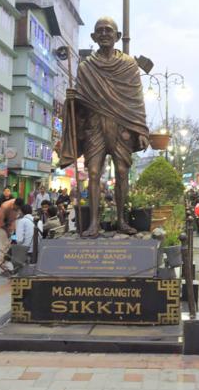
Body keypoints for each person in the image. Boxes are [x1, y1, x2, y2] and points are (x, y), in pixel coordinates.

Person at [59, 17, 149, 237]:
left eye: (109, 30)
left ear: (117, 36)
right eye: (99, 31)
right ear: (93, 37)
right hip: (95, 125)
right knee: (93, 172)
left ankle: (121, 220)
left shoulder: (128, 64)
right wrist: (71, 99)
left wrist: (142, 129)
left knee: (121, 172)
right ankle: (93, 224)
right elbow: (82, 99)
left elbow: (136, 100)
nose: (104, 34)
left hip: (121, 127)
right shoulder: (85, 67)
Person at [0, 197, 24, 274]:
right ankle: (1, 263)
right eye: (16, 208)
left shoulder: (18, 208)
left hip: (11, 227)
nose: (17, 210)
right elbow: (0, 222)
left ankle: (2, 261)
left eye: (18, 209)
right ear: (14, 204)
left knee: (12, 244)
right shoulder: (5, 206)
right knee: (4, 245)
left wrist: (13, 232)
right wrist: (7, 231)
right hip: (1, 227)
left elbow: (15, 219)